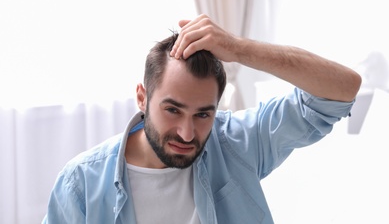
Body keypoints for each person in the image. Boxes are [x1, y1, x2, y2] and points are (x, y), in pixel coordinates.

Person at [42, 14, 361, 224]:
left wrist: (240, 49)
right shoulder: (82, 184)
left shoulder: (237, 143)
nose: (186, 132)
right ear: (142, 97)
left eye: (203, 114)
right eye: (172, 110)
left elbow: (342, 89)